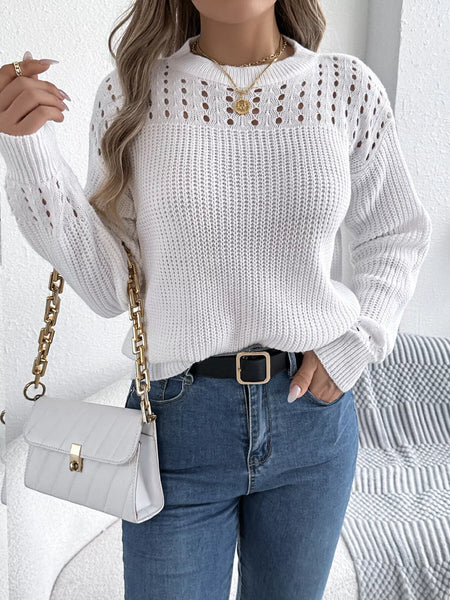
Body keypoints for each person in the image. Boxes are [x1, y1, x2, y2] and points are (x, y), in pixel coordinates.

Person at [0, 1, 432, 598]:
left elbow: (395, 232)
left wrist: (356, 345)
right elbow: (108, 289)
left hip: (312, 422)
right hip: (174, 425)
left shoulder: (345, 87)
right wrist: (29, 152)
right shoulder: (130, 95)